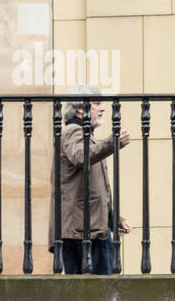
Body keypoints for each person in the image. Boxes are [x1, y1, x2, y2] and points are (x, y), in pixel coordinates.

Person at [49, 86, 131, 275]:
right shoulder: (72, 131)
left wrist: (113, 220)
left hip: (89, 228)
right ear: (80, 108)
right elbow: (80, 156)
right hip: (82, 232)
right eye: (97, 104)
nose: (102, 108)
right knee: (95, 295)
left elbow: (95, 190)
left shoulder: (86, 135)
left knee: (93, 295)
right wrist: (113, 142)